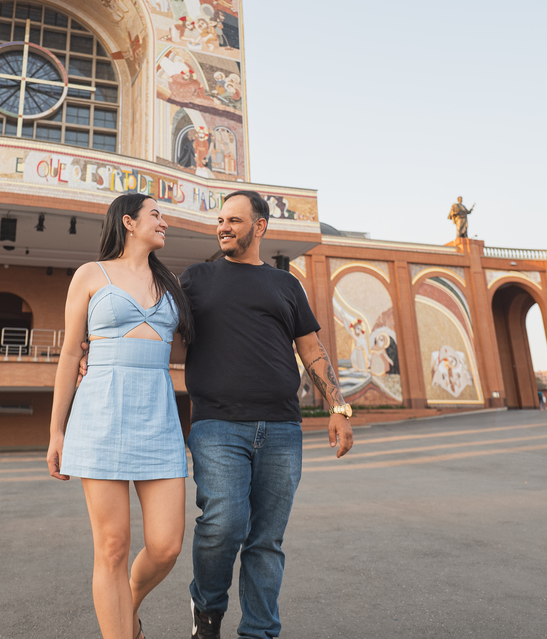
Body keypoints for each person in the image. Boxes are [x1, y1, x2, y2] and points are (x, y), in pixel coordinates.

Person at [180, 190, 354, 639]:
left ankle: (259, 631)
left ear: (260, 227)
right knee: (224, 523)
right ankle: (208, 610)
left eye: (234, 220)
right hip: (217, 424)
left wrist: (338, 406)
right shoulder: (196, 279)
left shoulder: (286, 284)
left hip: (281, 427)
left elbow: (311, 349)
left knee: (266, 539)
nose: (223, 227)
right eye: (220, 220)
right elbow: (153, 323)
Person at [47, 193, 194, 639]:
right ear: (128, 222)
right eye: (156, 215)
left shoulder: (170, 285)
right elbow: (72, 352)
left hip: (159, 415)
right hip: (100, 414)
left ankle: (127, 597)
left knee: (166, 546)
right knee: (112, 547)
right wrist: (56, 430)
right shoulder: (91, 275)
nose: (164, 221)